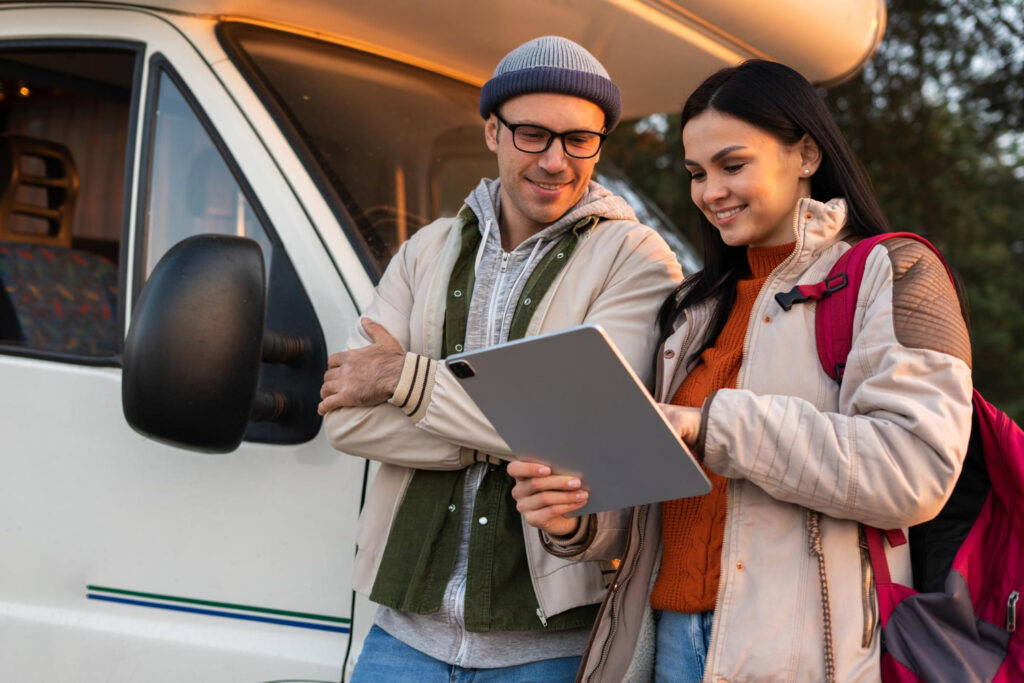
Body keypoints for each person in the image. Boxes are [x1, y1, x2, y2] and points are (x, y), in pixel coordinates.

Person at [510, 59, 974, 682]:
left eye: (733, 165)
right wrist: (576, 522)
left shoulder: (897, 273)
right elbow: (662, 505)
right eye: (698, 174)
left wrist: (711, 426)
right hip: (671, 642)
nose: (709, 193)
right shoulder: (695, 309)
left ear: (806, 153)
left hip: (805, 655)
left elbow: (913, 470)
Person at [317, 36, 682, 681]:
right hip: (403, 641)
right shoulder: (424, 250)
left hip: (547, 647)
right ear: (492, 131)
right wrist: (530, 429)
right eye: (532, 135)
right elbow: (345, 421)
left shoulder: (638, 259)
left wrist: (402, 379)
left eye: (579, 140)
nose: (555, 160)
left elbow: (595, 431)